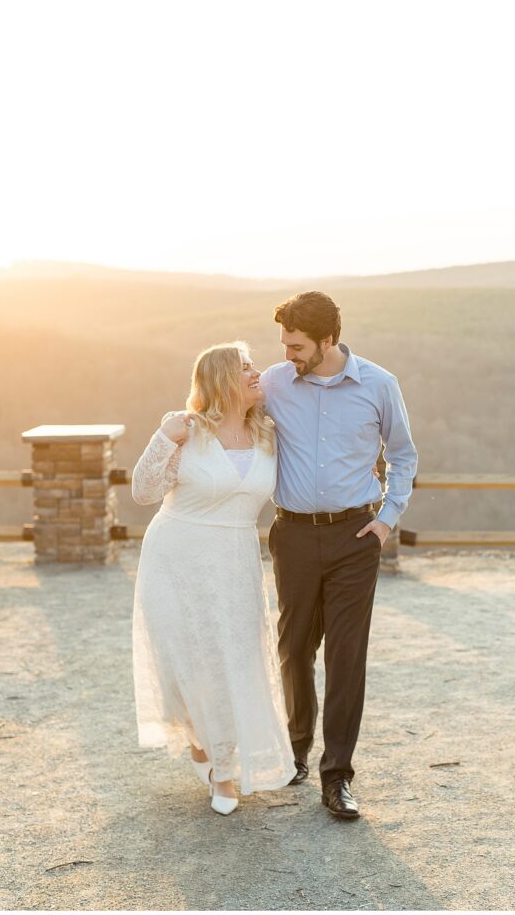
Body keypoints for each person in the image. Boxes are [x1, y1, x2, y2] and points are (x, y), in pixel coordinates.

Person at [260, 291, 418, 820]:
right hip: (295, 535)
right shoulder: (276, 382)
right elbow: (224, 409)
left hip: (356, 538)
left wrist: (386, 520)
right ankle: (295, 752)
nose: (288, 354)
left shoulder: (379, 384)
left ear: (328, 340)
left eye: (298, 345)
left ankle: (338, 775)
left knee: (347, 656)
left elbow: (402, 455)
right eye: (284, 343)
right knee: (294, 647)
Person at [131, 341, 295, 815]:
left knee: (232, 660)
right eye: (245, 367)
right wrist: (162, 437)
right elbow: (144, 492)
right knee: (183, 660)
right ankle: (216, 763)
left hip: (234, 559)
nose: (256, 372)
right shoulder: (187, 431)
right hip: (174, 556)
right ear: (221, 377)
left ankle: (220, 760)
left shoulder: (269, 434)